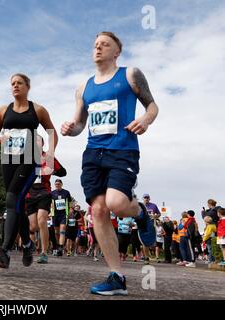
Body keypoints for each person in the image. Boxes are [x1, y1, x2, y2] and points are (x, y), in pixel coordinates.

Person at [61, 31, 158, 295]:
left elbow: (152, 106)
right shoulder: (83, 87)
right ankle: (117, 277)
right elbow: (81, 123)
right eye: (95, 45)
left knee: (116, 203)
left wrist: (145, 121)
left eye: (105, 44)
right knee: (99, 212)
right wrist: (72, 127)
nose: (98, 48)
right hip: (93, 154)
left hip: (123, 151)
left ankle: (140, 214)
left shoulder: (130, 75)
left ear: (117, 52)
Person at [0, 73, 58, 269]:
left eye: (19, 83)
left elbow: (52, 133)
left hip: (30, 159)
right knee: (16, 204)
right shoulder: (3, 110)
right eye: (12, 84)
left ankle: (5, 251)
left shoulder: (38, 110)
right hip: (8, 159)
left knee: (12, 199)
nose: (15, 86)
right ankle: (27, 244)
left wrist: (49, 155)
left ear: (27, 87)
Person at [26, 135, 66, 263]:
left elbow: (63, 172)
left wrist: (52, 171)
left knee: (42, 220)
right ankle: (32, 245)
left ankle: (43, 252)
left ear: (43, 144)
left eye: (39, 141)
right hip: (30, 194)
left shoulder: (48, 158)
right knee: (33, 226)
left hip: (44, 193)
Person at [51, 179, 72, 256]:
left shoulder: (66, 192)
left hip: (63, 214)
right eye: (56, 184)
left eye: (58, 184)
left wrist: (70, 210)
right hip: (55, 214)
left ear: (61, 184)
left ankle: (60, 248)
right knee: (56, 232)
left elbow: (70, 202)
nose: (57, 185)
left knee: (62, 230)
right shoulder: (52, 193)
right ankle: (57, 245)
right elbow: (50, 203)